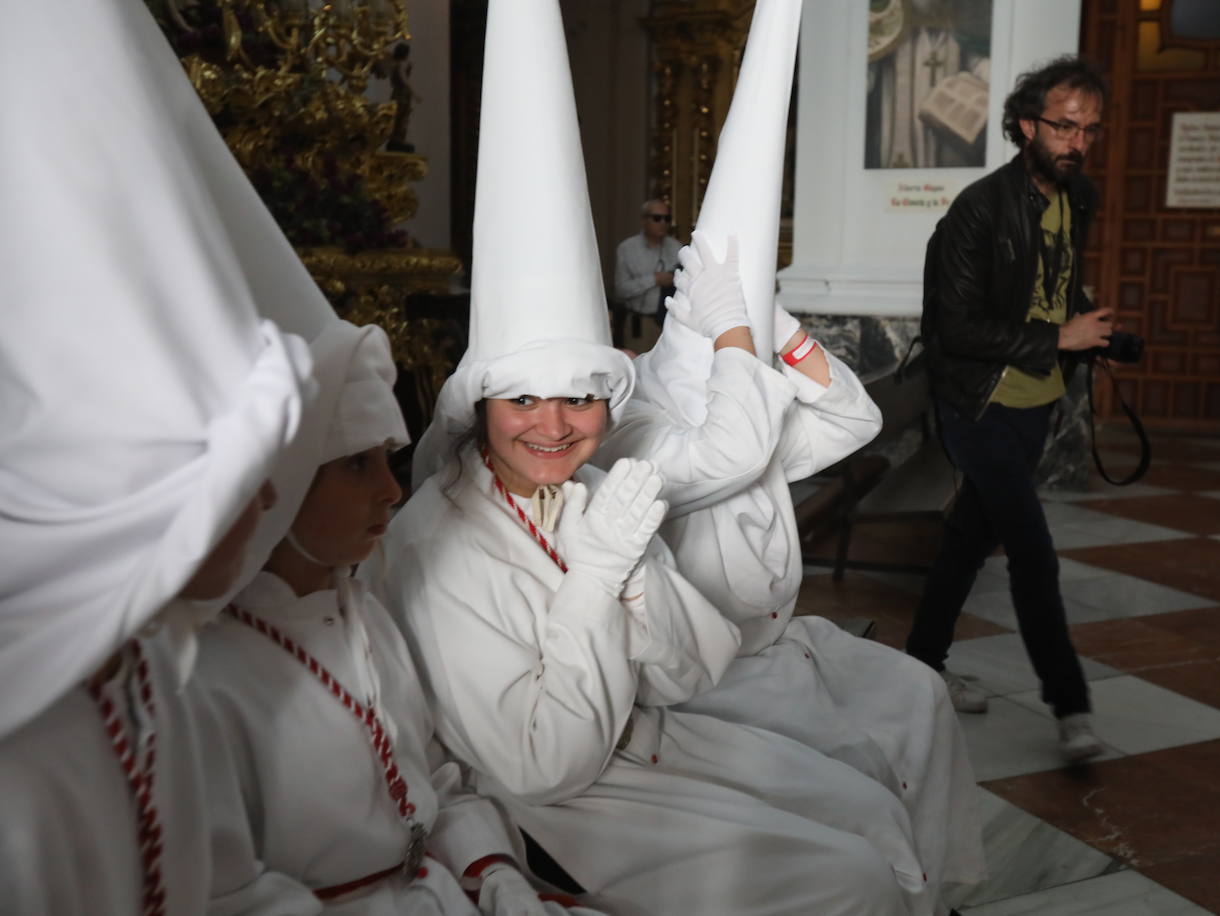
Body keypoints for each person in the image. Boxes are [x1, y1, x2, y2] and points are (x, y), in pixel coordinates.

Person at [379, 2, 933, 913]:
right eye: (523, 400)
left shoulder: (596, 488)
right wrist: (600, 580)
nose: (554, 426)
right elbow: (543, 762)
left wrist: (633, 579)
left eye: (579, 399)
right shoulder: (438, 544)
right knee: (852, 873)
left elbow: (690, 666)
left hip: (651, 730)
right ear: (478, 408)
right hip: (555, 798)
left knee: (872, 810)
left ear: (608, 400)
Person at [594, 7, 984, 911]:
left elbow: (851, 420)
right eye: (731, 339)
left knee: (920, 698)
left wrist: (782, 329)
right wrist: (735, 336)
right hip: (704, 680)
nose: (742, 357)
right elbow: (723, 454)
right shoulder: (635, 424)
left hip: (780, 645)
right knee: (858, 773)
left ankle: (937, 894)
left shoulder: (745, 395)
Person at [0, 1, 315, 911]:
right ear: (141, 496)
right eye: (240, 483)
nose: (270, 505)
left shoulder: (145, 676)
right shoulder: (20, 780)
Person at [191, 325, 603, 915]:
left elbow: (431, 783)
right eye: (357, 465)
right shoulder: (210, 671)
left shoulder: (363, 614)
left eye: (389, 460)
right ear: (283, 482)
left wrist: (495, 874)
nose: (391, 489)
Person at [904, 55, 1114, 762]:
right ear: (1027, 125)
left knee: (967, 540)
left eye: (1089, 129)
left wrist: (1088, 325)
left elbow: (1051, 283)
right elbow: (956, 329)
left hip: (1035, 400)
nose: (1077, 142)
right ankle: (1071, 707)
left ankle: (920, 666)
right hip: (978, 402)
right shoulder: (978, 209)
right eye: (1064, 126)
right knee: (1031, 550)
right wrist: (1059, 337)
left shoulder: (1078, 198)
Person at [612, 199, 682, 334]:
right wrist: (654, 280)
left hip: (672, 324)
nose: (663, 223)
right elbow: (620, 290)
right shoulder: (627, 248)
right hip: (641, 323)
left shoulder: (677, 248)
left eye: (667, 219)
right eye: (657, 218)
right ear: (644, 221)